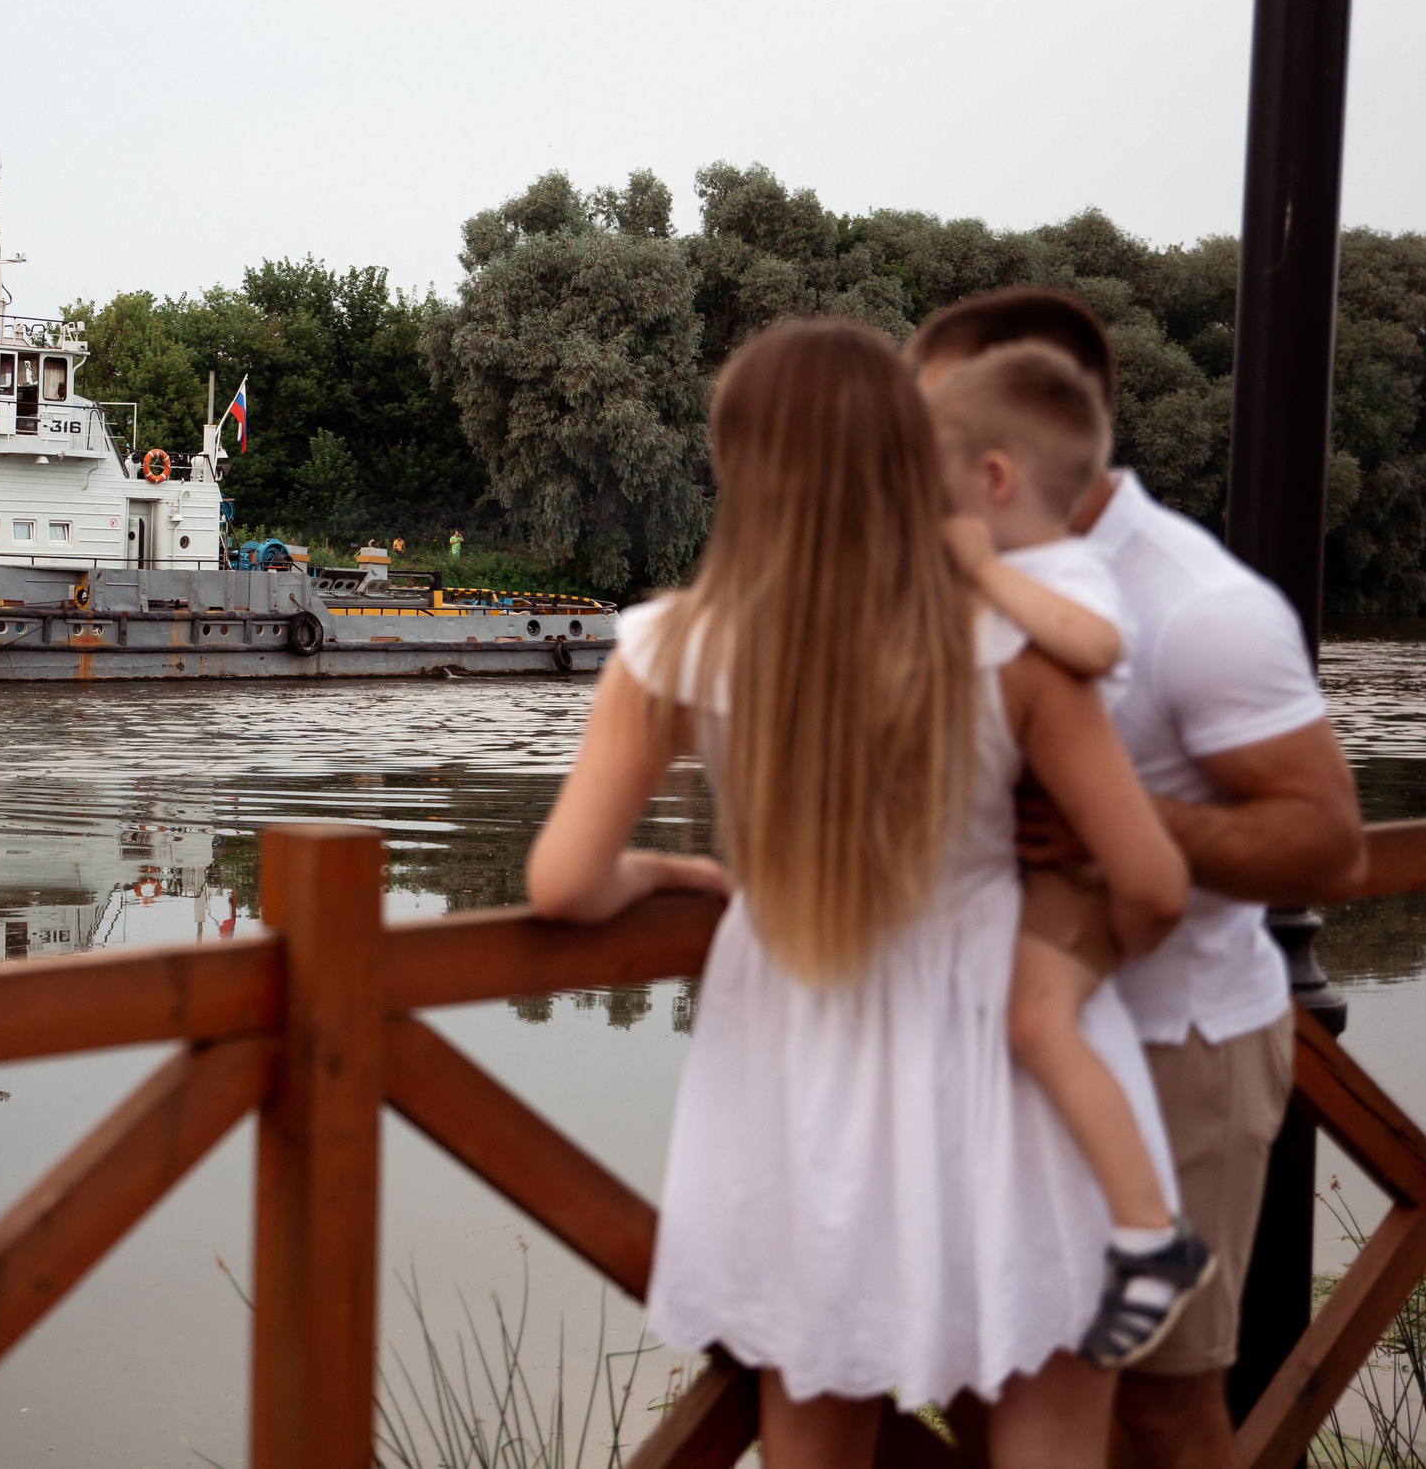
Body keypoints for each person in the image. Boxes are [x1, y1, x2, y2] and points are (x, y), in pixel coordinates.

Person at [526, 320, 1190, 1467]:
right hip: (1006, 1051)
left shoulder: (673, 650)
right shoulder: (1012, 640)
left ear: (737, 464)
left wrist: (666, 871)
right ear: (905, 451)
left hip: (799, 1061)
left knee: (814, 1431)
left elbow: (563, 884)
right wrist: (1085, 959)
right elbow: (1150, 883)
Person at [907, 288, 1367, 1469]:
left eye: (934, 418)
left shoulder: (1196, 606)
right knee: (992, 1381)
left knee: (1157, 1403)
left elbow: (1327, 844)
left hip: (1175, 1042)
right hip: (999, 1038)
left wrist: (1124, 825)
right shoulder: (973, 573)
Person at [927, 342, 1214, 1365]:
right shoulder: (1030, 567)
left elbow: (1090, 648)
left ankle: (1151, 1239)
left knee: (1037, 1018)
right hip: (1042, 870)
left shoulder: (1062, 570)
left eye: (939, 478)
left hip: (1072, 880)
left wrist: (975, 576)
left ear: (995, 481)